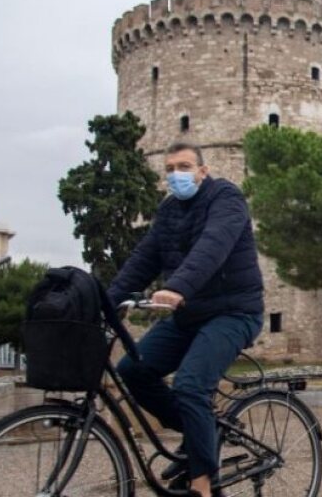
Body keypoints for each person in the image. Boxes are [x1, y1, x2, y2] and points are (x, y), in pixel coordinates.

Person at [107, 142, 264, 497]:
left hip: (234, 312)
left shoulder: (226, 198)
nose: (176, 174)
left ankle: (203, 484)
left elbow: (213, 245)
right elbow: (143, 259)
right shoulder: (169, 211)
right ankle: (200, 434)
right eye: (170, 168)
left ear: (202, 171)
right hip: (188, 315)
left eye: (184, 166)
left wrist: (177, 286)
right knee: (133, 369)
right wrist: (106, 302)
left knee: (190, 385)